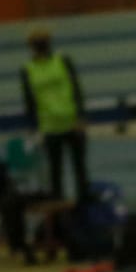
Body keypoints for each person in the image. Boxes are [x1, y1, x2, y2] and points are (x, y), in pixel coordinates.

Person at [20, 29, 89, 201]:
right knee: (55, 171)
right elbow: (29, 100)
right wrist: (34, 127)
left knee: (80, 168)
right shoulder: (27, 69)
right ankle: (59, 206)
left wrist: (81, 116)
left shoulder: (63, 60)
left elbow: (76, 88)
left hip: (72, 121)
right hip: (49, 126)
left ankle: (85, 203)